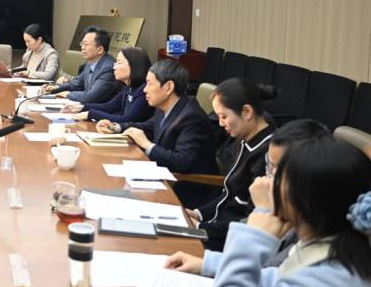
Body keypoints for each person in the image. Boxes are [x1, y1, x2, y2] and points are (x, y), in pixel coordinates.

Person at [165, 119, 333, 275]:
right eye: (269, 166)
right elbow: (267, 276)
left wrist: (263, 211)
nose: (266, 178)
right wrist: (206, 264)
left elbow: (249, 276)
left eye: (276, 169)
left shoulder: (315, 246)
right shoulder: (289, 211)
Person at [206, 138, 371, 287]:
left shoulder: (329, 277)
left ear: (304, 201)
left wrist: (254, 234)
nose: (268, 183)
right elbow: (280, 277)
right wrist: (206, 263)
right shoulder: (337, 246)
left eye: (278, 178)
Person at [97, 58, 217, 207]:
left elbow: (182, 162)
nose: (145, 89)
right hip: (161, 179)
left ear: (168, 87)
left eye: (149, 84)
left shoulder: (191, 117)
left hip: (183, 191)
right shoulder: (166, 107)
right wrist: (116, 127)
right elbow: (148, 126)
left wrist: (147, 144)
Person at [186, 78, 276, 251]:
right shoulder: (242, 140)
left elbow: (251, 220)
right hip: (217, 230)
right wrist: (198, 214)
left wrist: (200, 228)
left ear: (247, 112)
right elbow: (228, 193)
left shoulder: (269, 155)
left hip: (232, 242)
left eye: (224, 116)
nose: (220, 123)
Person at [61, 47, 153, 126]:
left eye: (119, 63)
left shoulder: (144, 90)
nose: (114, 67)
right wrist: (82, 106)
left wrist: (90, 114)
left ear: (134, 65)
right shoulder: (128, 87)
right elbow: (109, 107)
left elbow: (126, 119)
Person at [44, 26, 120, 103]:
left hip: (100, 109)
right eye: (82, 43)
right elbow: (76, 84)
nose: (82, 47)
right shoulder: (90, 63)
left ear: (100, 49)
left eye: (86, 44)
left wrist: (68, 94)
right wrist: (55, 87)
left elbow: (91, 97)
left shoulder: (108, 68)